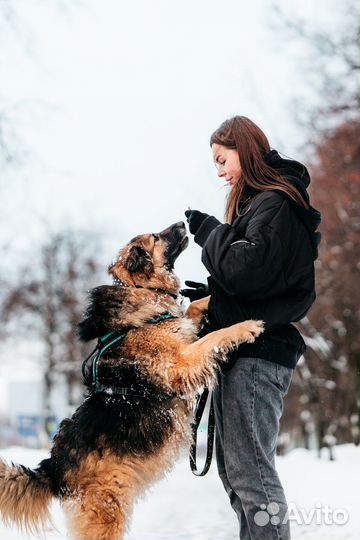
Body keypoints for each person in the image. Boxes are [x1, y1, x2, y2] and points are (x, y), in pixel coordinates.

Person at [181, 115, 321, 540]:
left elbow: (248, 269)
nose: (220, 170)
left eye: (223, 159)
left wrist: (210, 233)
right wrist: (212, 296)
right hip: (244, 354)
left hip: (259, 355)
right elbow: (259, 280)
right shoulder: (262, 204)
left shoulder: (276, 202)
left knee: (251, 476)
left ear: (244, 148)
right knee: (237, 474)